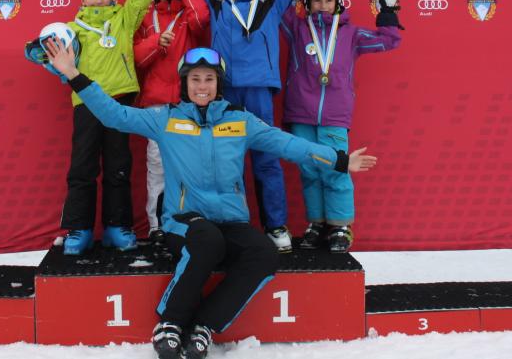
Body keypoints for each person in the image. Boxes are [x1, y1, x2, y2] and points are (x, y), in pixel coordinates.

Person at [43, 41, 376, 359]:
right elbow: (115, 115)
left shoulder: (240, 121)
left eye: (209, 79)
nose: (202, 86)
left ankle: (204, 325)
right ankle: (171, 322)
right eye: (195, 79)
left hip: (230, 220)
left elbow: (287, 145)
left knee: (263, 253)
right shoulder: (165, 119)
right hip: (184, 222)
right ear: (184, 83)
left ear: (218, 85)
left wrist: (339, 160)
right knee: (206, 239)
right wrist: (73, 73)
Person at [170, 0, 325, 251]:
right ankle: (234, 223)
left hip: (258, 91)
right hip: (224, 93)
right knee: (227, 162)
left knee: (266, 159)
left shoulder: (270, 3)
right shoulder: (218, 3)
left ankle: (276, 225)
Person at [26, 0, 152, 256]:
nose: (99, 0)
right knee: (82, 167)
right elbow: (49, 52)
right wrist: (40, 52)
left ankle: (117, 227)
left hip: (120, 102)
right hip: (86, 102)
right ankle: (79, 229)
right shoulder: (71, 28)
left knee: (118, 167)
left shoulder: (123, 19)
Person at [280, 0, 403, 252]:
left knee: (335, 169)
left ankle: (340, 226)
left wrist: (388, 10)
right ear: (307, 2)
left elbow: (389, 40)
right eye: (316, 0)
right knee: (310, 171)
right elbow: (279, 6)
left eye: (328, 0)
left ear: (338, 2)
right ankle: (317, 223)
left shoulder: (351, 34)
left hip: (334, 116)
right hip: (300, 113)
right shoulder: (297, 29)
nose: (323, 5)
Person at [133, 0, 210, 242]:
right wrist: (155, 42)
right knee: (157, 165)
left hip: (185, 102)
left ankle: (186, 222)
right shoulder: (145, 18)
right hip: (155, 103)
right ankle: (157, 226)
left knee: (188, 164)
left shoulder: (187, 17)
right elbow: (137, 59)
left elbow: (202, 17)